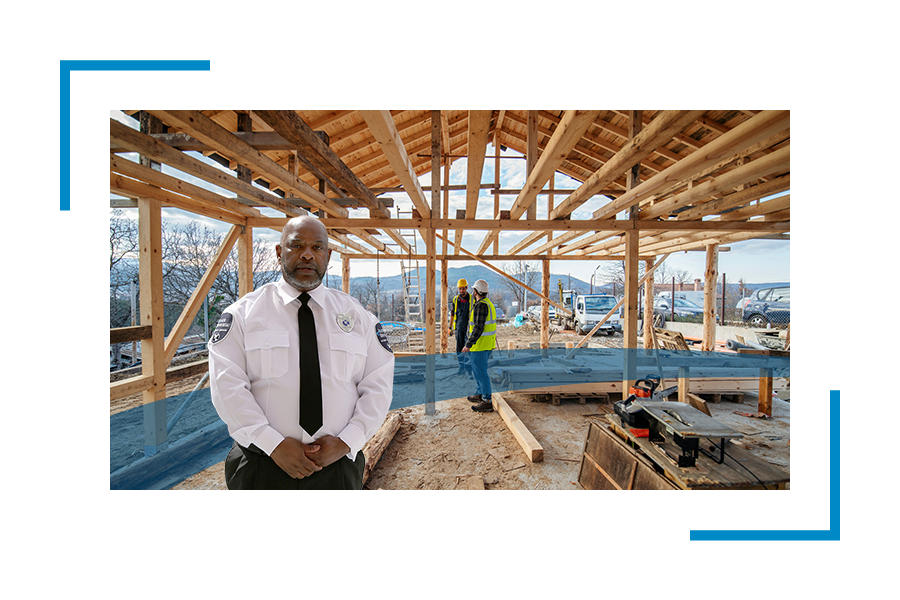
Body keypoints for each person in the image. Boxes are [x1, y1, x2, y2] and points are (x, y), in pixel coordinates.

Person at [208, 216, 394, 489]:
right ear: (279, 252)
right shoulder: (244, 315)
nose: (307, 254)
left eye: (317, 247)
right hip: (262, 465)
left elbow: (378, 385)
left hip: (336, 467)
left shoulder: (358, 318)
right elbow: (227, 387)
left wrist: (347, 441)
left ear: (328, 255)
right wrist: (273, 444)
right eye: (297, 246)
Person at [461, 279, 497, 413]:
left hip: (480, 346)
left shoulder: (481, 305)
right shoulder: (488, 303)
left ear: (475, 292)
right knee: (478, 372)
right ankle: (479, 393)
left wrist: (468, 344)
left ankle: (487, 401)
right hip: (485, 345)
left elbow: (478, 328)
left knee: (481, 373)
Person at [448, 278, 473, 377]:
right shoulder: (455, 299)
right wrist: (449, 327)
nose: (461, 290)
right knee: (459, 349)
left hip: (468, 328)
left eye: (463, 288)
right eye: (460, 289)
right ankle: (461, 367)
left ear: (466, 288)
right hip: (458, 328)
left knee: (467, 349)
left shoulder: (472, 299)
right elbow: (453, 314)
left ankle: (469, 370)